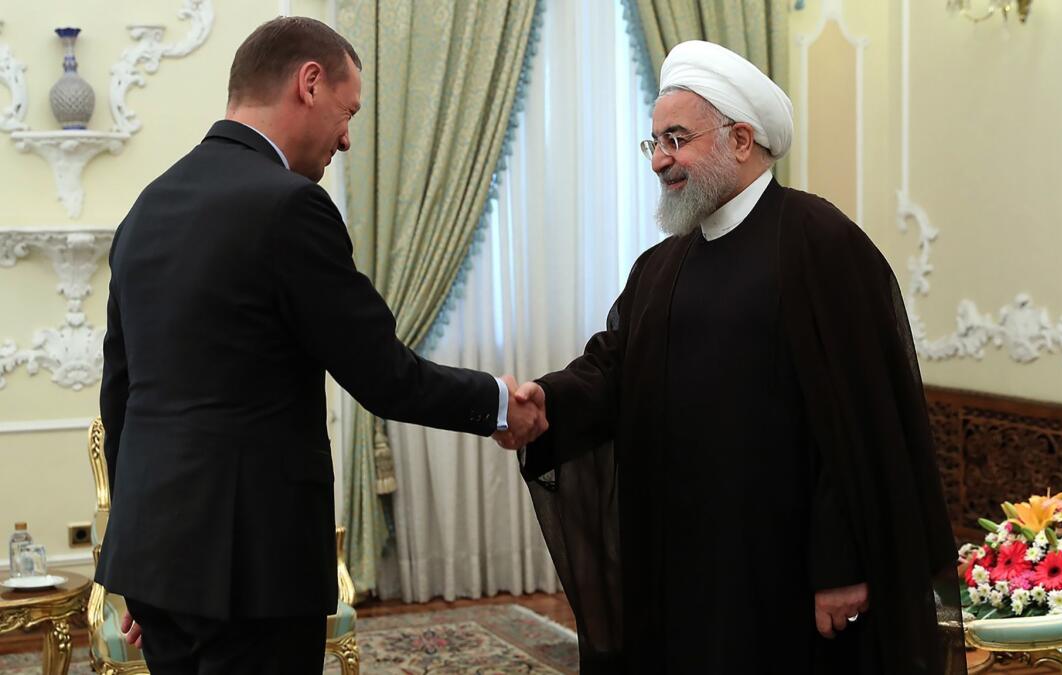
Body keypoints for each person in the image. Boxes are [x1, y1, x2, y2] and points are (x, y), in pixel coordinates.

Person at [495, 40, 965, 674]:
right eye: (654, 142)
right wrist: (544, 403)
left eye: (677, 139)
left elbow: (862, 421)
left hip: (786, 570)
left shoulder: (820, 244)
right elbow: (611, 368)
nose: (660, 160)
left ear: (741, 139)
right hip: (680, 559)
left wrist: (844, 566)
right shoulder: (662, 264)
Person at [96, 17, 546, 674]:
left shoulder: (147, 207)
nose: (346, 136)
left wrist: (140, 558)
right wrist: (500, 402)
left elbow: (123, 394)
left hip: (162, 566)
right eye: (348, 110)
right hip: (255, 572)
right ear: (309, 82)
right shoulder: (289, 206)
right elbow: (384, 374)